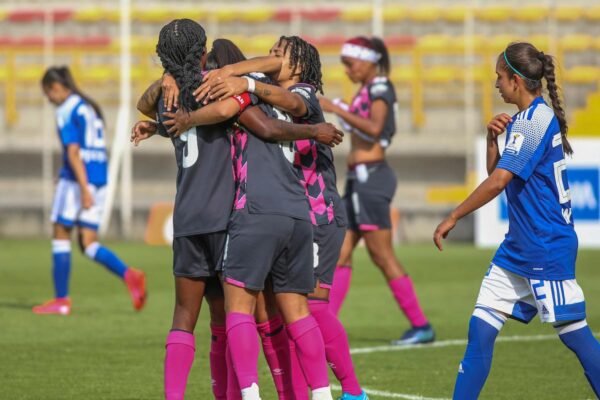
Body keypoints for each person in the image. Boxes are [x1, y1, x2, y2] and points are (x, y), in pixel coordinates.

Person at [132, 28, 341, 400]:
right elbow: (267, 127)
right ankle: (290, 392)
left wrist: (165, 90)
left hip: (188, 219)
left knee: (189, 317)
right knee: (250, 317)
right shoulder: (222, 93)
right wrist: (314, 130)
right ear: (202, 56)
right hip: (234, 215)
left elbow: (144, 104)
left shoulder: (169, 97)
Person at [197, 35, 368, 400]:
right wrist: (236, 76)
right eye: (270, 53)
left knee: (310, 308)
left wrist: (244, 79)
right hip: (292, 213)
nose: (271, 58)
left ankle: (353, 393)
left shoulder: (303, 93)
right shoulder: (264, 98)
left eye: (279, 55)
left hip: (317, 214)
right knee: (275, 312)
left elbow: (289, 103)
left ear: (300, 65)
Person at [433, 42, 600, 399]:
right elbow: (499, 170)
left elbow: (498, 181)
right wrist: (493, 140)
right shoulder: (529, 120)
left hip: (544, 246)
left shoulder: (533, 121)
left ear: (516, 81)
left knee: (576, 336)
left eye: (499, 77)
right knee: (480, 330)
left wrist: (452, 215)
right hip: (518, 249)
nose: (496, 84)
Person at [319, 36, 434, 345]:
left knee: (381, 255)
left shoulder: (381, 88)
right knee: (340, 254)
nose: (346, 70)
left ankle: (421, 325)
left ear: (368, 61)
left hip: (372, 179)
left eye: (350, 63)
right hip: (359, 180)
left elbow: (375, 128)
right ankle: (325, 324)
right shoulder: (367, 90)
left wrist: (334, 107)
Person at [34, 66, 146, 316]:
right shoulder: (89, 106)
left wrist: (82, 187)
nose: (49, 99)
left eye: (48, 93)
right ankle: (129, 274)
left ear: (56, 88)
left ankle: (61, 300)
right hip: (99, 178)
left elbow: (73, 152)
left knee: (60, 233)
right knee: (87, 243)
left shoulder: (65, 109)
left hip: (77, 181)